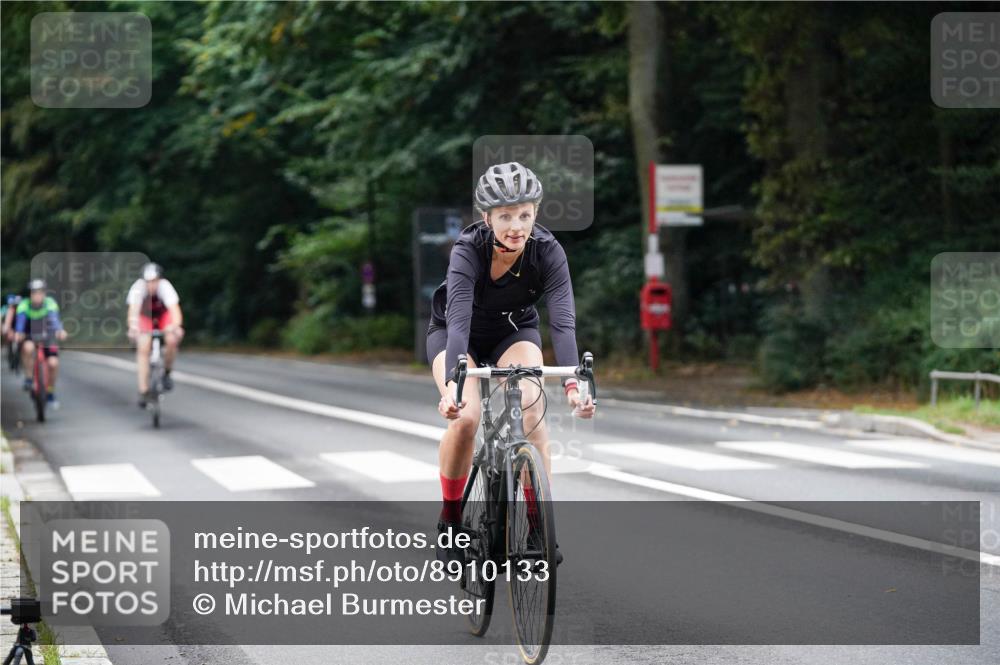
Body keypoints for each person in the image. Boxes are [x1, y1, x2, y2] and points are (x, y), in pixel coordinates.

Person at [426, 161, 596, 560]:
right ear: (487, 218)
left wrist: (574, 386)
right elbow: (459, 322)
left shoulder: (548, 252)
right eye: (505, 216)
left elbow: (563, 323)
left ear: (535, 213)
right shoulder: (469, 250)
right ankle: (451, 520)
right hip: (455, 334)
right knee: (466, 420)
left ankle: (539, 529)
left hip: (513, 332)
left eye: (524, 214)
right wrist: (454, 387)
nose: (516, 226)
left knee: (534, 410)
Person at [126, 262, 184, 407]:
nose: (151, 285)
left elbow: (175, 311)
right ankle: (143, 390)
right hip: (144, 317)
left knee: (172, 339)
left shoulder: (166, 287)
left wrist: (176, 326)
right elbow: (133, 312)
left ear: (159, 280)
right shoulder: (137, 288)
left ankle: (167, 372)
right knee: (143, 346)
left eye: (154, 282)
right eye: (148, 282)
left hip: (163, 315)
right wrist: (133, 328)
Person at [13, 280, 68, 405]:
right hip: (29, 335)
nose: (37, 296)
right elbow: (20, 323)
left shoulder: (50, 303)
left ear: (44, 294)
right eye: (34, 293)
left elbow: (54, 319)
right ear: (30, 295)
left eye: (40, 293)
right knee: (27, 348)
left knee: (53, 364)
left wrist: (59, 331)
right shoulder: (24, 305)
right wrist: (18, 332)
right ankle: (28, 377)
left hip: (47, 335)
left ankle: (50, 391)